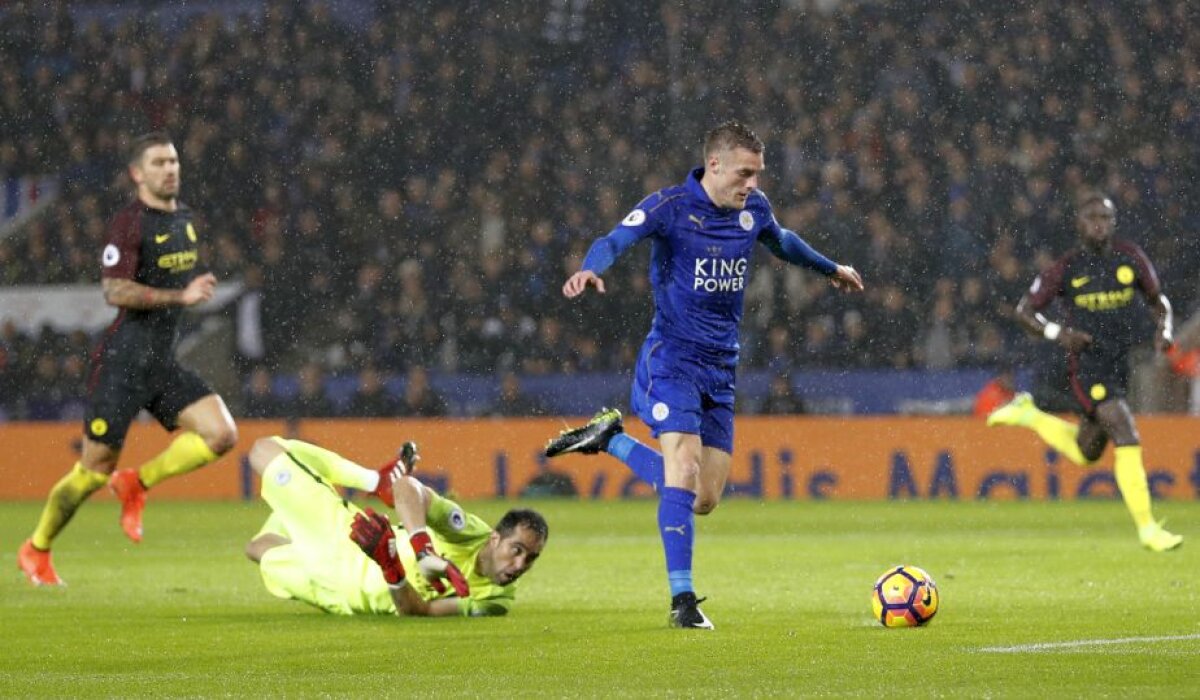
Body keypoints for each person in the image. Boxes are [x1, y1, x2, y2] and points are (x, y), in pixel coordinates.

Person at [543, 121, 863, 629]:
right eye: (744, 173)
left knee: (703, 498)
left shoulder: (753, 210)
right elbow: (617, 237)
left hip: (721, 367)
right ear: (714, 165)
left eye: (757, 174)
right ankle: (683, 602)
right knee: (684, 465)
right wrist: (590, 267)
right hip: (672, 360)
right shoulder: (669, 207)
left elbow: (783, 241)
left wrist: (830, 269)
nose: (752, 184)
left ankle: (611, 440)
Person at [18, 133, 238, 586]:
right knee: (92, 473)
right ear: (137, 173)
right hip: (122, 365)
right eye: (158, 163)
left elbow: (174, 276)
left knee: (221, 435)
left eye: (173, 161)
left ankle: (137, 482)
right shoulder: (129, 224)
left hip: (162, 364)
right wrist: (181, 295)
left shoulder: (185, 219)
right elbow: (114, 290)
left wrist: (195, 286)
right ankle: (36, 548)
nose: (169, 169)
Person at [987, 191, 1182, 552]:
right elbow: (1025, 310)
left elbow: (1159, 301)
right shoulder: (1067, 268)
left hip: (1119, 363)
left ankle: (1029, 414)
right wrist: (1058, 334)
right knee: (1125, 431)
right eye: (1092, 218)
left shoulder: (1130, 258)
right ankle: (1148, 529)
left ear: (1114, 222)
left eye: (1105, 218)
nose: (1099, 225)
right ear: (1079, 223)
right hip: (1087, 365)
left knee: (1087, 451)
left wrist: (1165, 329)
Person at [244, 436, 547, 617]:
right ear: (494, 539)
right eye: (517, 550)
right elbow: (407, 487)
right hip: (348, 554)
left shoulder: (495, 601)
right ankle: (373, 483)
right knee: (258, 545)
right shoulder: (469, 533)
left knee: (264, 452)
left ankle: (372, 482)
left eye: (531, 558)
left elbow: (420, 611)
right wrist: (423, 550)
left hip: (347, 577)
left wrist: (391, 567)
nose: (521, 565)